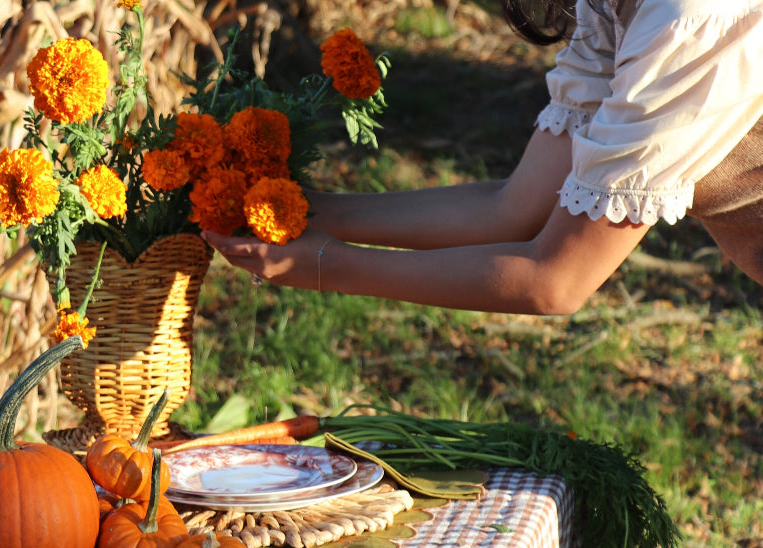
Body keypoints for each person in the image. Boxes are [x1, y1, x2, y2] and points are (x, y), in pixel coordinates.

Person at [202, 0, 763, 315]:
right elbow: (513, 206)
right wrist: (294, 210)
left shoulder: (693, 17)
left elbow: (557, 279)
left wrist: (328, 264)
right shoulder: (618, 6)